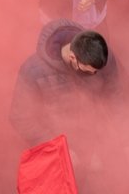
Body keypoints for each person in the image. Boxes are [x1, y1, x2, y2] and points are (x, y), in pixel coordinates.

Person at [8, 20, 119, 148]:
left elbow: (115, 95)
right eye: (87, 72)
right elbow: (21, 118)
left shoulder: (102, 55)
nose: (93, 75)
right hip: (57, 141)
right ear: (72, 57)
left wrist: (128, 142)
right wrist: (57, 147)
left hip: (95, 140)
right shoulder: (33, 71)